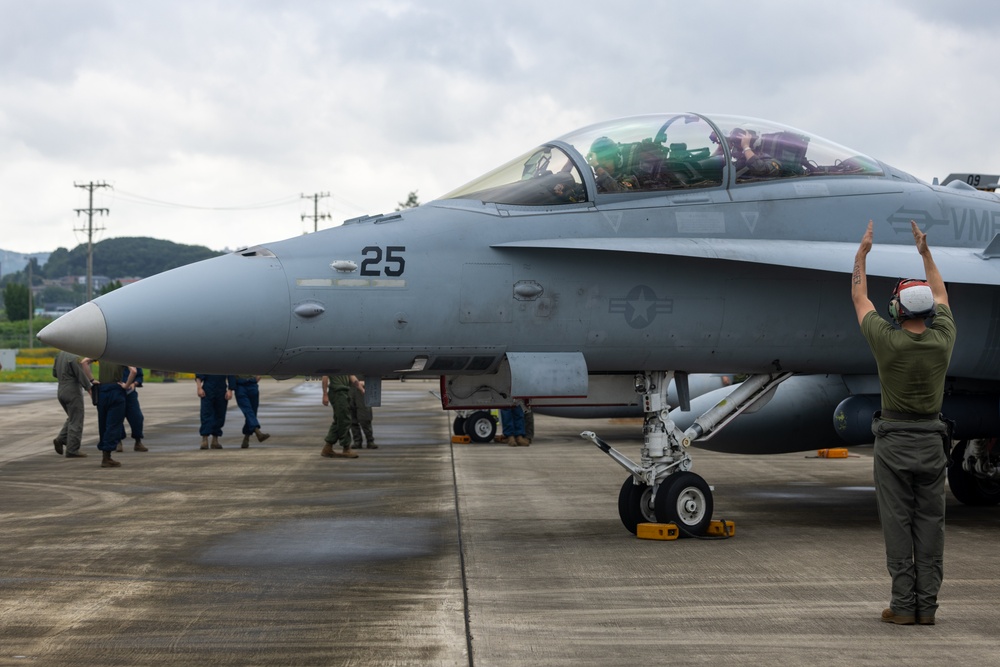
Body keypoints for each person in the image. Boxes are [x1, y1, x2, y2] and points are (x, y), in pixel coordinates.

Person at [852, 219, 957, 626]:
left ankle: (902, 605)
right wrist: (925, 253)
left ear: (896, 310)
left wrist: (862, 254)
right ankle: (926, 608)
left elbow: (860, 297)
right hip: (933, 443)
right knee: (931, 525)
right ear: (929, 311)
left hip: (893, 444)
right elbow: (943, 293)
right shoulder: (943, 339)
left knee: (898, 523)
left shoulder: (886, 340)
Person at [52, 351, 97, 459]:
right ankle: (72, 450)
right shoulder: (75, 358)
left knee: (72, 417)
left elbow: (54, 373)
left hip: (61, 390)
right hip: (72, 391)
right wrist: (89, 388)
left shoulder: (59, 355)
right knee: (76, 420)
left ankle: (61, 439)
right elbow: (80, 374)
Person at [95, 359, 137, 468]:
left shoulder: (101, 355)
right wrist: (126, 385)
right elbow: (133, 371)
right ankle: (107, 456)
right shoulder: (120, 355)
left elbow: (84, 362)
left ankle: (105, 454)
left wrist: (91, 379)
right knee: (113, 424)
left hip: (102, 390)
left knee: (103, 423)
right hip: (116, 390)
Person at [321, 375, 362, 458]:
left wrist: (361, 389)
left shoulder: (345, 364)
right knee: (344, 420)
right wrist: (325, 394)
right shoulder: (332, 362)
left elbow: (351, 376)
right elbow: (325, 377)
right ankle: (346, 448)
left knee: (338, 420)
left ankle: (328, 447)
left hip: (344, 392)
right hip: (337, 392)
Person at [196, 374, 236, 449]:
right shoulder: (207, 361)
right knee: (206, 413)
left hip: (221, 389)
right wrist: (199, 388)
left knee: (220, 414)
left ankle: (215, 440)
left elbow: (231, 373)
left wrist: (230, 390)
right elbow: (199, 374)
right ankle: (205, 439)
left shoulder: (226, 362)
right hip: (208, 388)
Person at [117, 367, 148, 453]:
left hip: (130, 393)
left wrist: (134, 383)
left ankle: (138, 441)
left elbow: (139, 376)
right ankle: (118, 441)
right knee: (117, 417)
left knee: (137, 417)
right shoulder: (113, 360)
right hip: (117, 391)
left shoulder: (132, 360)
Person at [234, 375, 270, 448]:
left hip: (252, 384)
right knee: (248, 410)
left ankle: (246, 438)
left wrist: (260, 375)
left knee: (253, 412)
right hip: (240, 385)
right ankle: (257, 432)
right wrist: (231, 387)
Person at [349, 376, 377, 449]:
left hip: (362, 385)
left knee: (365, 416)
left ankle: (370, 440)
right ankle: (357, 441)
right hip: (348, 387)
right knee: (352, 417)